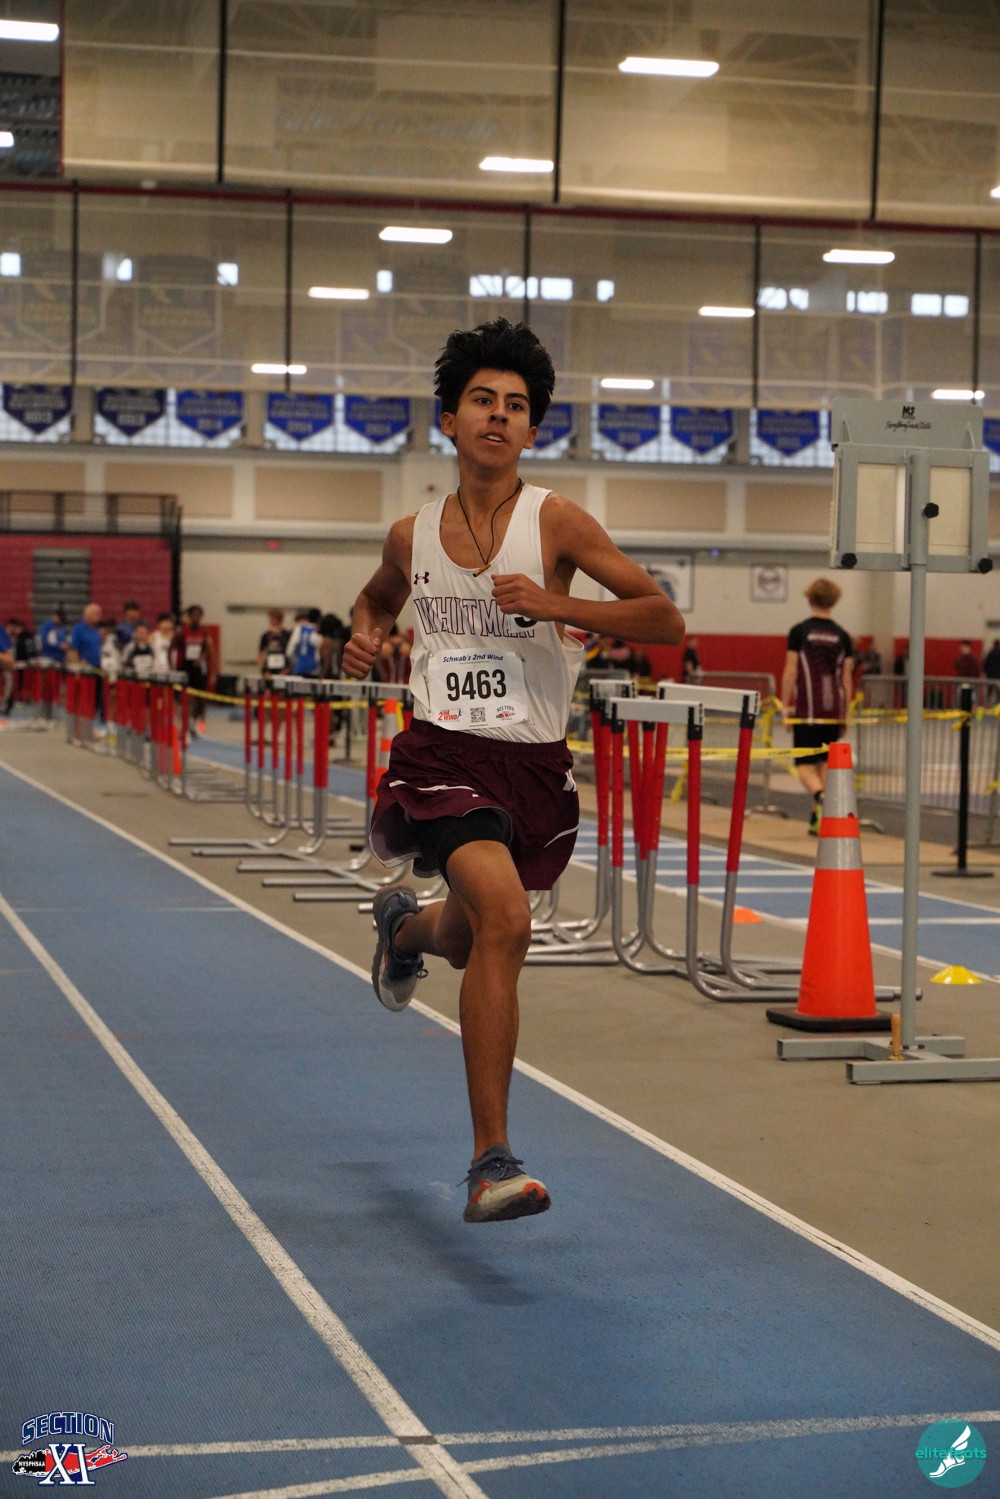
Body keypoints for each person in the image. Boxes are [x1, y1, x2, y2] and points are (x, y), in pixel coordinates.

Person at [341, 317, 684, 1223]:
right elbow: (375, 599)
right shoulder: (411, 533)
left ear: (532, 429)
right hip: (440, 752)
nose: (498, 414)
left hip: (531, 764)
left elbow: (662, 618)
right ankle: (490, 1161)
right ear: (449, 421)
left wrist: (557, 603)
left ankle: (404, 930)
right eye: (482, 400)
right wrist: (364, 636)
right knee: (506, 919)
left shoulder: (555, 522)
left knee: (466, 938)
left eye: (517, 405)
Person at [781, 578, 854, 835]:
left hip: (808, 710)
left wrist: (785, 705)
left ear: (810, 598)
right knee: (823, 764)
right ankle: (817, 819)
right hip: (833, 710)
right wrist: (846, 714)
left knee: (803, 765)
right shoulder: (843, 636)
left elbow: (791, 670)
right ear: (833, 601)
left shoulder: (800, 632)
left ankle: (821, 797)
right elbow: (847, 679)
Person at [176, 604, 216, 733]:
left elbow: (208, 649)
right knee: (189, 697)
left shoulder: (204, 631)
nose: (197, 617)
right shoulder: (182, 631)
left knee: (201, 697)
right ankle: (188, 723)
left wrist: (202, 657)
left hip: (199, 667)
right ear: (189, 616)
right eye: (194, 614)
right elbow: (173, 647)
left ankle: (200, 722)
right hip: (185, 667)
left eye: (199, 614)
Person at [287, 607, 322, 679]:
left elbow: (289, 651)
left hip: (299, 667)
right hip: (314, 668)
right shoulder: (318, 631)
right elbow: (320, 653)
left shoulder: (299, 628)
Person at [258, 609, 289, 680]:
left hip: (283, 668)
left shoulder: (286, 635)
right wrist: (264, 670)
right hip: (269, 668)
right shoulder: (266, 635)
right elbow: (260, 655)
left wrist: (287, 669)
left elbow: (291, 654)